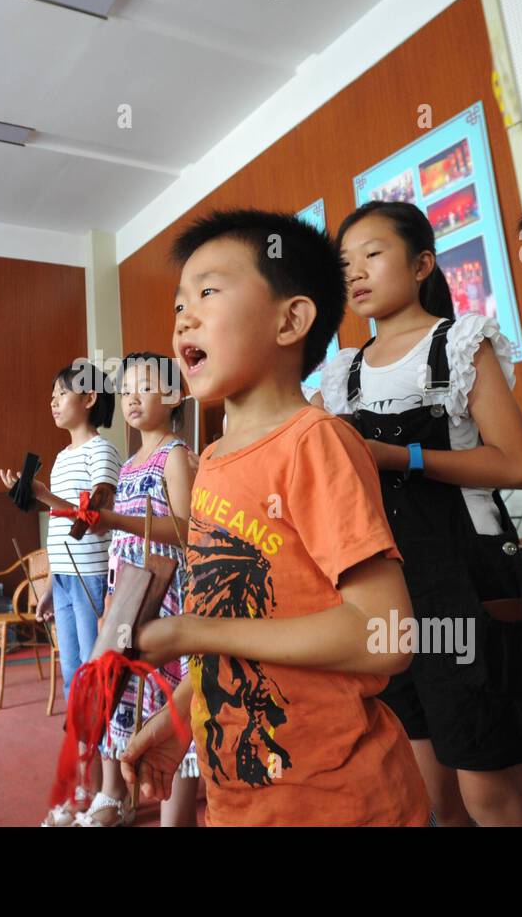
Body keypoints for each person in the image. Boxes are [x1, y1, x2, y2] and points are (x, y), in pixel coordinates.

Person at [121, 209, 430, 826]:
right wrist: (181, 717)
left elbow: (387, 634)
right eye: (180, 302)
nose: (184, 315)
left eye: (208, 291)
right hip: (239, 795)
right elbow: (230, 621)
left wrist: (188, 633)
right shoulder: (209, 460)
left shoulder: (314, 442)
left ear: (291, 319)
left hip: (338, 803)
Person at [311, 201, 522, 826]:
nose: (355, 272)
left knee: (487, 781)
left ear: (421, 264)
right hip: (383, 585)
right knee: (425, 790)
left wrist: (399, 456)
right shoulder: (342, 375)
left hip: (465, 579)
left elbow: (515, 464)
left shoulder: (462, 342)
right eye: (345, 264)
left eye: (373, 254)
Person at [77, 352, 200, 827]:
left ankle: (177, 815)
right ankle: (124, 798)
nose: (130, 396)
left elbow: (188, 530)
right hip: (130, 602)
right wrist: (109, 604)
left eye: (144, 386)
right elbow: (119, 549)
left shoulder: (174, 455)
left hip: (169, 600)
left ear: (173, 396)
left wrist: (115, 519)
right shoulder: (127, 465)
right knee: (132, 703)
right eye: (125, 388)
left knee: (171, 708)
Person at [0, 361, 121, 826]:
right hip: (68, 582)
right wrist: (50, 586)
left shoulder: (101, 451)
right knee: (74, 684)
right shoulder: (63, 455)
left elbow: (95, 515)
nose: (52, 402)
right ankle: (84, 786)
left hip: (93, 582)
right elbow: (58, 535)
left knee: (97, 682)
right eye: (50, 395)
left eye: (61, 393)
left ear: (89, 399)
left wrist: (42, 495)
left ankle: (113, 790)